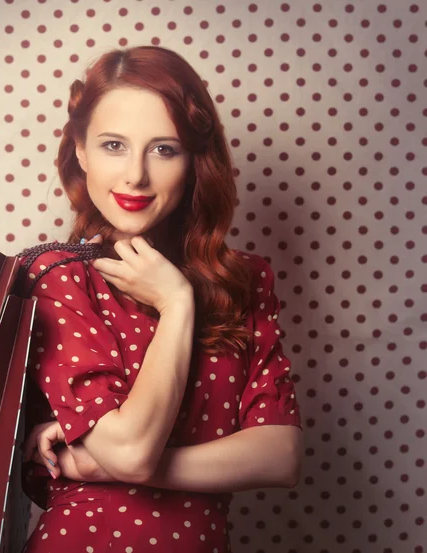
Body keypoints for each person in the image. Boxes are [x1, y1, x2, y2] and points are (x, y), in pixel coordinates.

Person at [18, 45, 303, 553]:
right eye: (113, 145)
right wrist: (176, 307)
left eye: (163, 149)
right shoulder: (59, 278)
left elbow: (280, 455)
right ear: (79, 150)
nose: (135, 176)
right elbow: (130, 453)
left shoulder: (245, 280)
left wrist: (103, 463)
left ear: (195, 161)